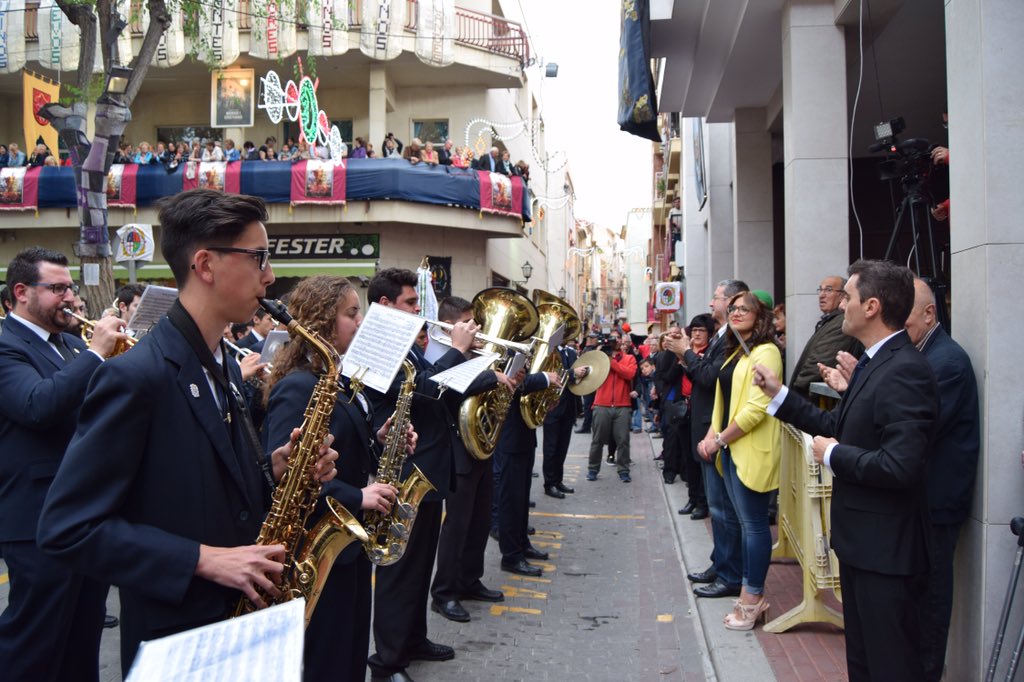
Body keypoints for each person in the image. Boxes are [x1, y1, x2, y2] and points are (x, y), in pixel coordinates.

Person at [37, 189, 339, 673]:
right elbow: (67, 528)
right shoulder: (135, 376)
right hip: (180, 642)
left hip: (235, 629)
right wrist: (201, 559)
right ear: (205, 264)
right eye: (258, 257)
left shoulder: (218, 361)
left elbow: (203, 478)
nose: (270, 274)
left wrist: (278, 467)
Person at [753, 259, 938, 681]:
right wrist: (780, 395)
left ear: (871, 306)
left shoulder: (904, 369)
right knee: (864, 663)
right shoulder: (875, 362)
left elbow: (900, 465)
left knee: (889, 665)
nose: (840, 307)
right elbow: (838, 426)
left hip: (886, 555)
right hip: (863, 548)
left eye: (848, 298)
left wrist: (834, 456)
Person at [364, 269, 505, 681]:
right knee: (399, 571)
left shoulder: (406, 345)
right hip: (404, 470)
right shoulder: (381, 342)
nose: (418, 310)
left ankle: (412, 640)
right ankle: (386, 662)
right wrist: (458, 352)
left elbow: (433, 389)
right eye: (411, 302)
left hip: (424, 470)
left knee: (419, 564)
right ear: (386, 305)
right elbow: (424, 389)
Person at [262, 275, 404, 682]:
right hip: (317, 549)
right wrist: (358, 496)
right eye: (351, 313)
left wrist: (379, 440)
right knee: (330, 659)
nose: (360, 322)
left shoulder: (339, 380)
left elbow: (343, 450)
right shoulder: (298, 387)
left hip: (347, 546)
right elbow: (289, 477)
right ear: (323, 321)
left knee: (351, 653)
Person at [0, 247, 127, 682]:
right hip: (33, 519)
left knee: (82, 638)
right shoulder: (5, 345)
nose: (71, 297)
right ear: (21, 293)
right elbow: (37, 406)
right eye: (57, 288)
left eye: (70, 287)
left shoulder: (71, 344)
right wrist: (95, 355)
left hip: (85, 515)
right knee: (34, 643)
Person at [905, 278, 980, 681]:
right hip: (922, 500)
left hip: (937, 502)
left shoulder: (946, 361)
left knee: (931, 601)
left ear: (930, 313)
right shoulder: (924, 354)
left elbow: (920, 428)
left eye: (906, 317)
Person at [696, 291, 782, 630]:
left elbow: (757, 408)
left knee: (754, 527)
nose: (736, 312)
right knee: (741, 524)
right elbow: (724, 399)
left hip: (749, 450)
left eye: (745, 308)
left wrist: (719, 439)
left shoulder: (767, 351)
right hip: (730, 451)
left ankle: (752, 598)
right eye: (732, 308)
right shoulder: (735, 353)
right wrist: (712, 433)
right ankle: (748, 592)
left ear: (760, 316)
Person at [430, 297, 513, 623]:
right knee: (457, 525)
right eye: (468, 323)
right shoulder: (441, 354)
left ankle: (469, 579)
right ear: (452, 325)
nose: (475, 329)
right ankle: (444, 593)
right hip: (456, 454)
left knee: (478, 522)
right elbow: (449, 387)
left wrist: (506, 379)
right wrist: (491, 377)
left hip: (479, 449)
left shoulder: (474, 355)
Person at [666, 279, 748, 599]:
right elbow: (701, 376)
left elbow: (710, 378)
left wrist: (685, 351)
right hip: (706, 425)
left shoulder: (732, 339)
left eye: (716, 298)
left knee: (723, 508)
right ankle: (720, 563)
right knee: (718, 506)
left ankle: (730, 574)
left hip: (714, 430)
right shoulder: (721, 337)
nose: (712, 303)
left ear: (730, 302)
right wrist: (684, 354)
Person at [496, 366, 560, 576]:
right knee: (511, 500)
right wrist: (544, 378)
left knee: (521, 499)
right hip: (509, 436)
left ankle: (522, 544)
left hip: (523, 434)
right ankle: (511, 556)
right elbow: (513, 383)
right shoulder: (504, 352)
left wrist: (545, 396)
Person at [789, 276, 863, 398]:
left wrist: (794, 396)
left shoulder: (842, 323)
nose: (821, 295)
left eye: (828, 290)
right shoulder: (830, 321)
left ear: (842, 296)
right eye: (820, 290)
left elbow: (818, 363)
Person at [586, 329, 637, 483]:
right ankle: (593, 469)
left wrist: (611, 361)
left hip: (623, 405)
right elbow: (591, 374)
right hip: (602, 403)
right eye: (612, 339)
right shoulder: (600, 357)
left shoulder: (629, 358)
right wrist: (597, 356)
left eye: (617, 338)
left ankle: (623, 470)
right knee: (597, 440)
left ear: (622, 341)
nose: (615, 341)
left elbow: (629, 374)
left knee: (623, 440)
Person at [541, 340, 586, 499]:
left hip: (569, 408)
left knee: (562, 447)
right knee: (551, 448)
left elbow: (575, 380)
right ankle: (549, 484)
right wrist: (573, 373)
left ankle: (558, 480)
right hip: (553, 407)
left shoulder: (572, 352)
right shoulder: (550, 351)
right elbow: (552, 375)